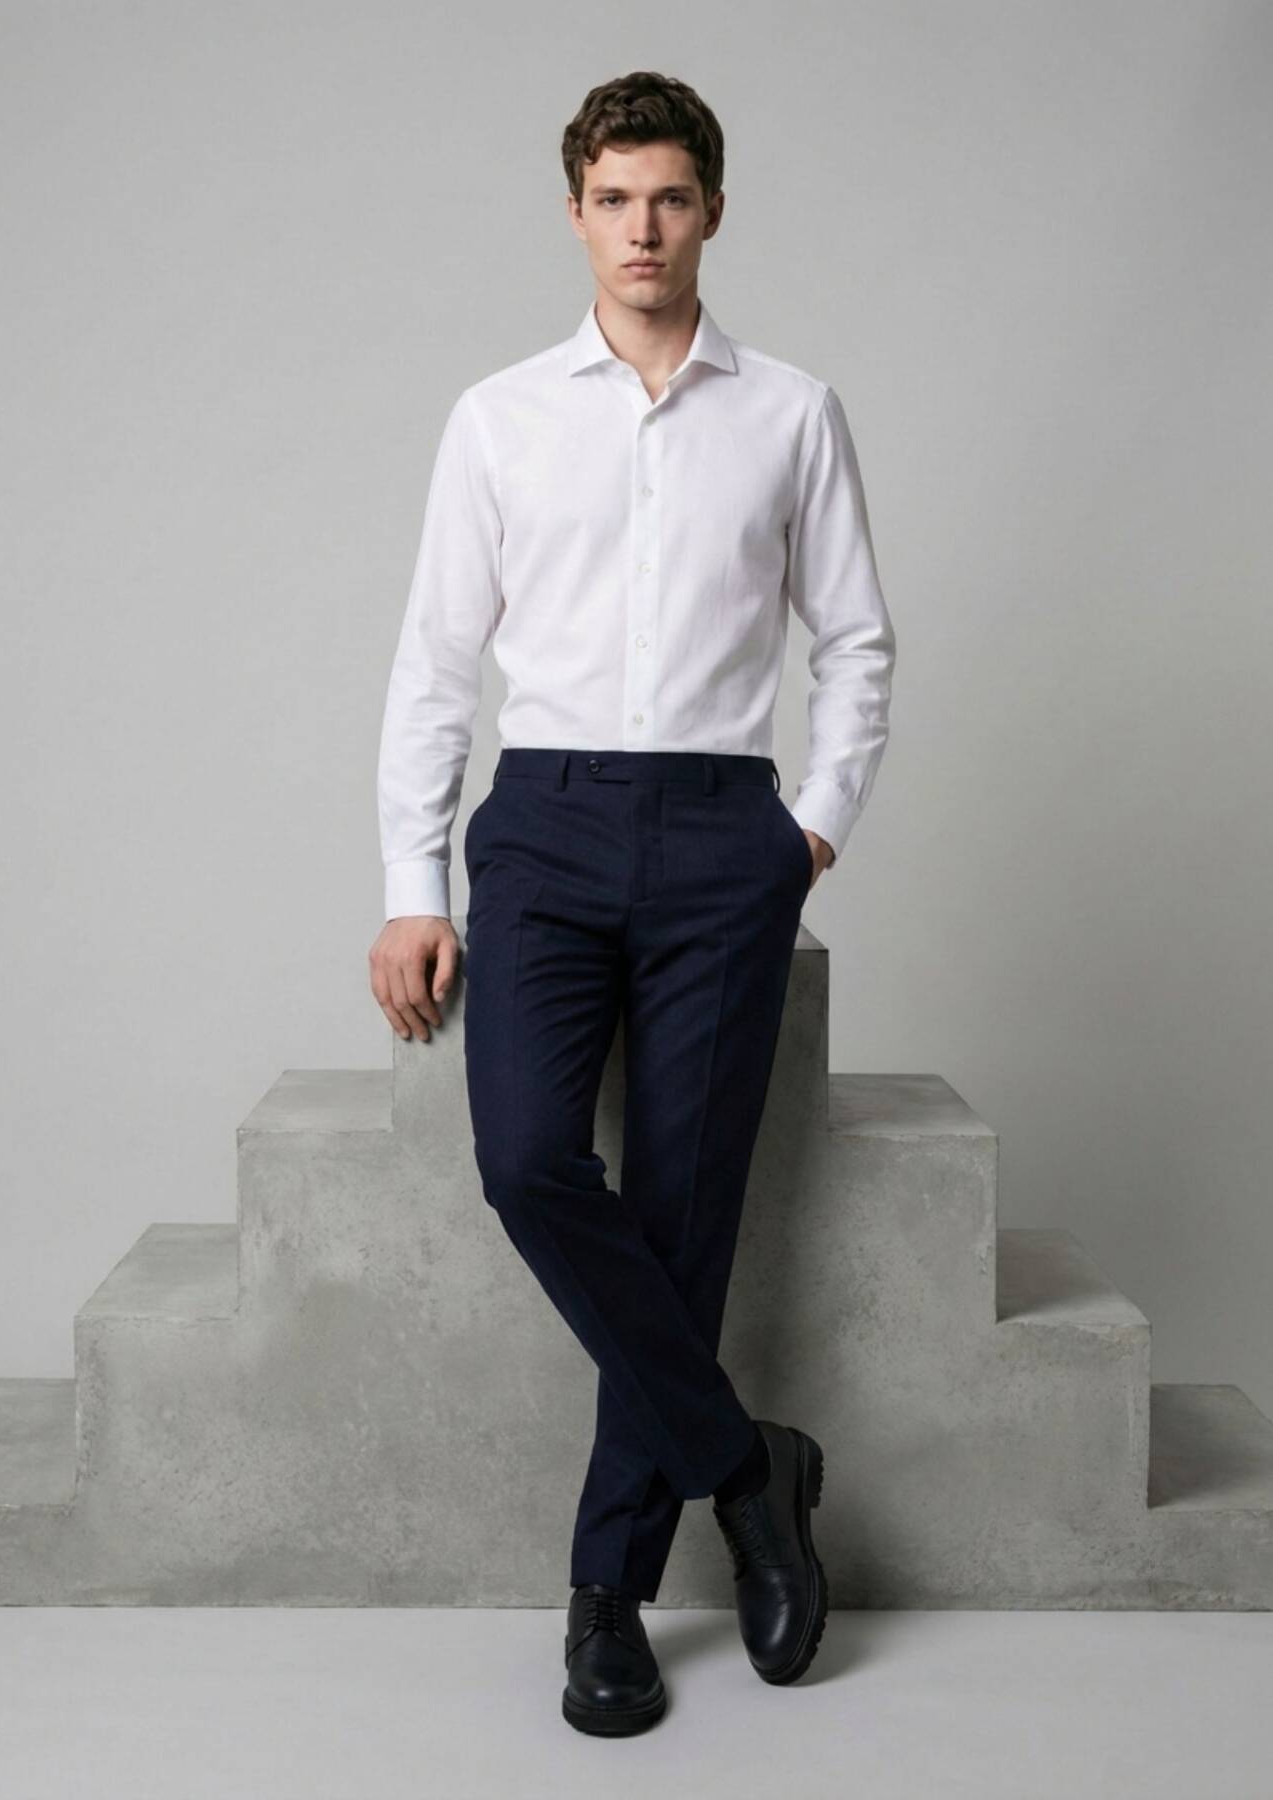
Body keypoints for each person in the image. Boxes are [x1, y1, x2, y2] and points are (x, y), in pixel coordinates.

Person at [370, 69, 896, 1736]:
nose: (643, 228)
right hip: (544, 829)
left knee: (680, 1216)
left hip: (723, 830)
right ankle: (748, 1469)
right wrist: (411, 882)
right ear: (575, 214)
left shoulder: (791, 412)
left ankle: (604, 1594)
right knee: (529, 1158)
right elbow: (436, 664)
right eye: (614, 199)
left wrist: (807, 831)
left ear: (711, 211)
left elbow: (856, 641)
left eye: (669, 197)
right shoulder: (499, 417)